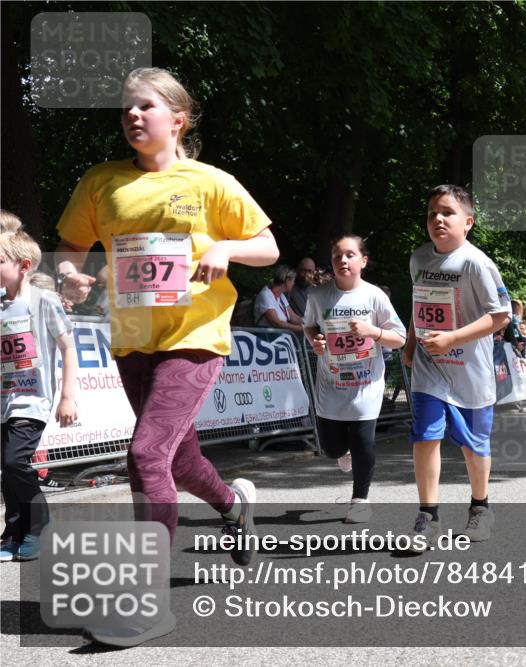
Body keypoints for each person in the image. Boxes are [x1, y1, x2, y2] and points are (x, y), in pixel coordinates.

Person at [55, 67, 280, 644]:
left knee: (145, 455)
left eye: (145, 107)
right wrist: (70, 278)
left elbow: (268, 246)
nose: (133, 116)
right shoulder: (101, 182)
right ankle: (233, 505)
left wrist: (227, 248)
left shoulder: (209, 181)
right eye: (126, 108)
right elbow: (71, 252)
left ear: (176, 119)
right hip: (132, 339)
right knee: (177, 462)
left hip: (196, 336)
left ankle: (146, 602)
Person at [402, 185, 511, 551]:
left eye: (447, 212)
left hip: (470, 371)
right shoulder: (419, 259)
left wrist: (452, 339)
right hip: (429, 369)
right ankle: (427, 516)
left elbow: (501, 316)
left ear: (468, 222)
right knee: (425, 436)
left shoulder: (476, 263)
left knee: (473, 445)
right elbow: (419, 305)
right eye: (432, 212)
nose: (437, 219)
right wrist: (412, 341)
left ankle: (481, 507)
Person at [304, 236, 406, 524]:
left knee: (364, 443)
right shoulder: (318, 296)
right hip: (331, 384)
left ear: (363, 261)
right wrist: (316, 342)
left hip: (366, 384)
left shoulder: (374, 296)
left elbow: (399, 338)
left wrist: (372, 332)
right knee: (332, 448)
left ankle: (360, 499)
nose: (343, 261)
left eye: (350, 255)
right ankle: (341, 450)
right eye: (337, 256)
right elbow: (309, 326)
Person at [1, 225, 78, 562]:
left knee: (14, 461)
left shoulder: (43, 301)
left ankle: (38, 525)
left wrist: (67, 396)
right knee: (8, 470)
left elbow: (68, 348)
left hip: (32, 399)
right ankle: (13, 533)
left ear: (24, 265)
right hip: (4, 400)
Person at [254, 264, 303, 331]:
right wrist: (301, 328)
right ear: (287, 280)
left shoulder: (281, 296)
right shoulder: (265, 295)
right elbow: (277, 323)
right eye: (293, 281)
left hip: (278, 337)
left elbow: (293, 317)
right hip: (266, 338)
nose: (294, 284)